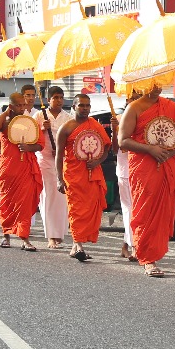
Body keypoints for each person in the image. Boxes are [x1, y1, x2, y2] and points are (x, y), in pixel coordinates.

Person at [118, 85, 175, 277]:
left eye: (159, 84)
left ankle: (154, 253)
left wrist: (168, 153)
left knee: (163, 211)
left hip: (166, 164)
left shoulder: (171, 107)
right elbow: (123, 141)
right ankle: (147, 258)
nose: (156, 89)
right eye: (151, 85)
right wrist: (150, 149)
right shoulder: (135, 108)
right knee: (145, 211)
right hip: (144, 167)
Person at [57, 93, 111, 262]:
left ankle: (76, 246)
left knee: (90, 210)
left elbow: (106, 148)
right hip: (73, 174)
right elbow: (59, 156)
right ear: (73, 107)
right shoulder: (65, 128)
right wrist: (59, 179)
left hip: (92, 174)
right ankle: (78, 244)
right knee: (76, 210)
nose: (85, 108)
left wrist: (97, 162)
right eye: (81, 105)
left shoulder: (94, 125)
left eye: (87, 105)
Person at [0, 87, 44, 250]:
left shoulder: (30, 123)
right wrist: (7, 112)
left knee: (25, 204)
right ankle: (6, 235)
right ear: (11, 106)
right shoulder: (4, 122)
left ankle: (24, 238)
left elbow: (41, 145)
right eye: (19, 105)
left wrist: (28, 147)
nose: (22, 108)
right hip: (8, 168)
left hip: (26, 168)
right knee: (6, 202)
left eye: (23, 105)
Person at [37, 86, 74, 249]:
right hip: (44, 160)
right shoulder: (39, 115)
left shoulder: (68, 118)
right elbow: (31, 137)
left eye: (61, 97)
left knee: (61, 198)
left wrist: (60, 150)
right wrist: (42, 129)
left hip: (62, 160)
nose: (59, 100)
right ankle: (50, 236)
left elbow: (71, 139)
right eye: (55, 97)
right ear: (48, 99)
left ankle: (59, 234)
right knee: (48, 197)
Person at [113, 96, 136, 261]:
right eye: (133, 97)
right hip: (125, 171)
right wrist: (115, 131)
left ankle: (126, 245)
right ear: (127, 99)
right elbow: (116, 149)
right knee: (129, 210)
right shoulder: (119, 119)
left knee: (138, 210)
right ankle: (134, 245)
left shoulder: (145, 118)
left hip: (143, 170)